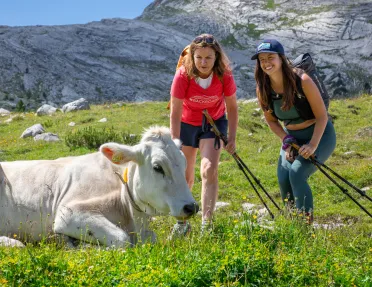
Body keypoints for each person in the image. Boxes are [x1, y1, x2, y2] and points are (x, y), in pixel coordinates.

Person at [251, 39, 336, 224]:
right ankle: (292, 224)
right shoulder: (263, 88)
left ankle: (304, 228)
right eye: (262, 59)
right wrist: (286, 139)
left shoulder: (302, 80)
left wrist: (312, 145)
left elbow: (322, 117)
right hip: (292, 138)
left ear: (281, 58)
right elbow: (272, 122)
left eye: (271, 57)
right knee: (283, 177)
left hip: (320, 135)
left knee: (297, 173)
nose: (266, 63)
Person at [169, 33, 238, 234]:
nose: (203, 62)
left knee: (208, 170)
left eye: (208, 57)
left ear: (216, 57)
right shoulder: (183, 75)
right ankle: (182, 222)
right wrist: (175, 141)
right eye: (199, 57)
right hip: (186, 124)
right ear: (192, 56)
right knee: (186, 175)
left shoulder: (224, 75)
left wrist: (231, 138)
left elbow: (232, 107)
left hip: (213, 123)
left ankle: (206, 223)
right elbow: (175, 111)